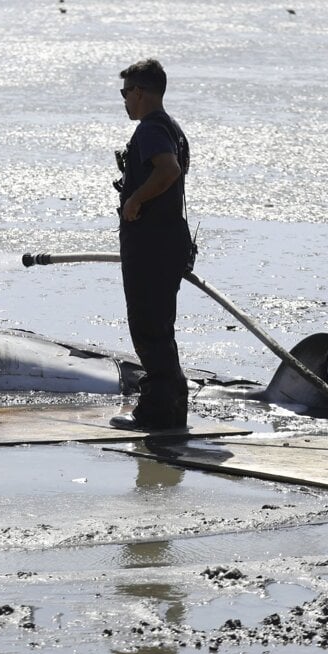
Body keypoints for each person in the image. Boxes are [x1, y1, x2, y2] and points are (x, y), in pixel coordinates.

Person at [109, 59, 194, 431]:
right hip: (168, 242)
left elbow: (168, 170)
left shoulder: (150, 130)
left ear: (140, 92)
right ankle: (172, 409)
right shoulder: (171, 127)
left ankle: (155, 413)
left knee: (148, 329)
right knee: (160, 328)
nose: (124, 100)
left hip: (152, 246)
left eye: (126, 92)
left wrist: (135, 200)